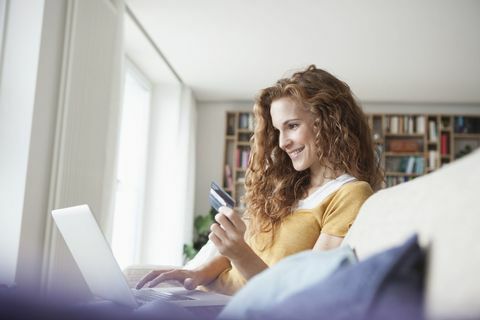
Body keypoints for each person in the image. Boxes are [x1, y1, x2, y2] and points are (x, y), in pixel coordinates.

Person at [137, 65, 383, 296]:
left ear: (329, 123)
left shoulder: (350, 194)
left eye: (293, 126)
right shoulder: (286, 188)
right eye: (278, 131)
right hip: (209, 297)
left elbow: (304, 297)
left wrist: (241, 254)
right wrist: (195, 274)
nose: (282, 142)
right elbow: (230, 255)